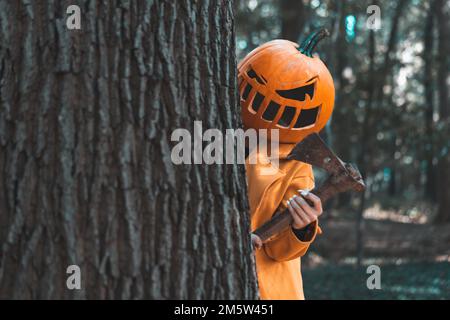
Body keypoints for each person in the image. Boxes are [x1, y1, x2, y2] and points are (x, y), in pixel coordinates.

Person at [239, 29, 335, 300]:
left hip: (265, 289)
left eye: (299, 93)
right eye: (259, 79)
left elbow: (281, 251)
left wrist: (301, 227)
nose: (271, 95)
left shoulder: (297, 164)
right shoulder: (211, 136)